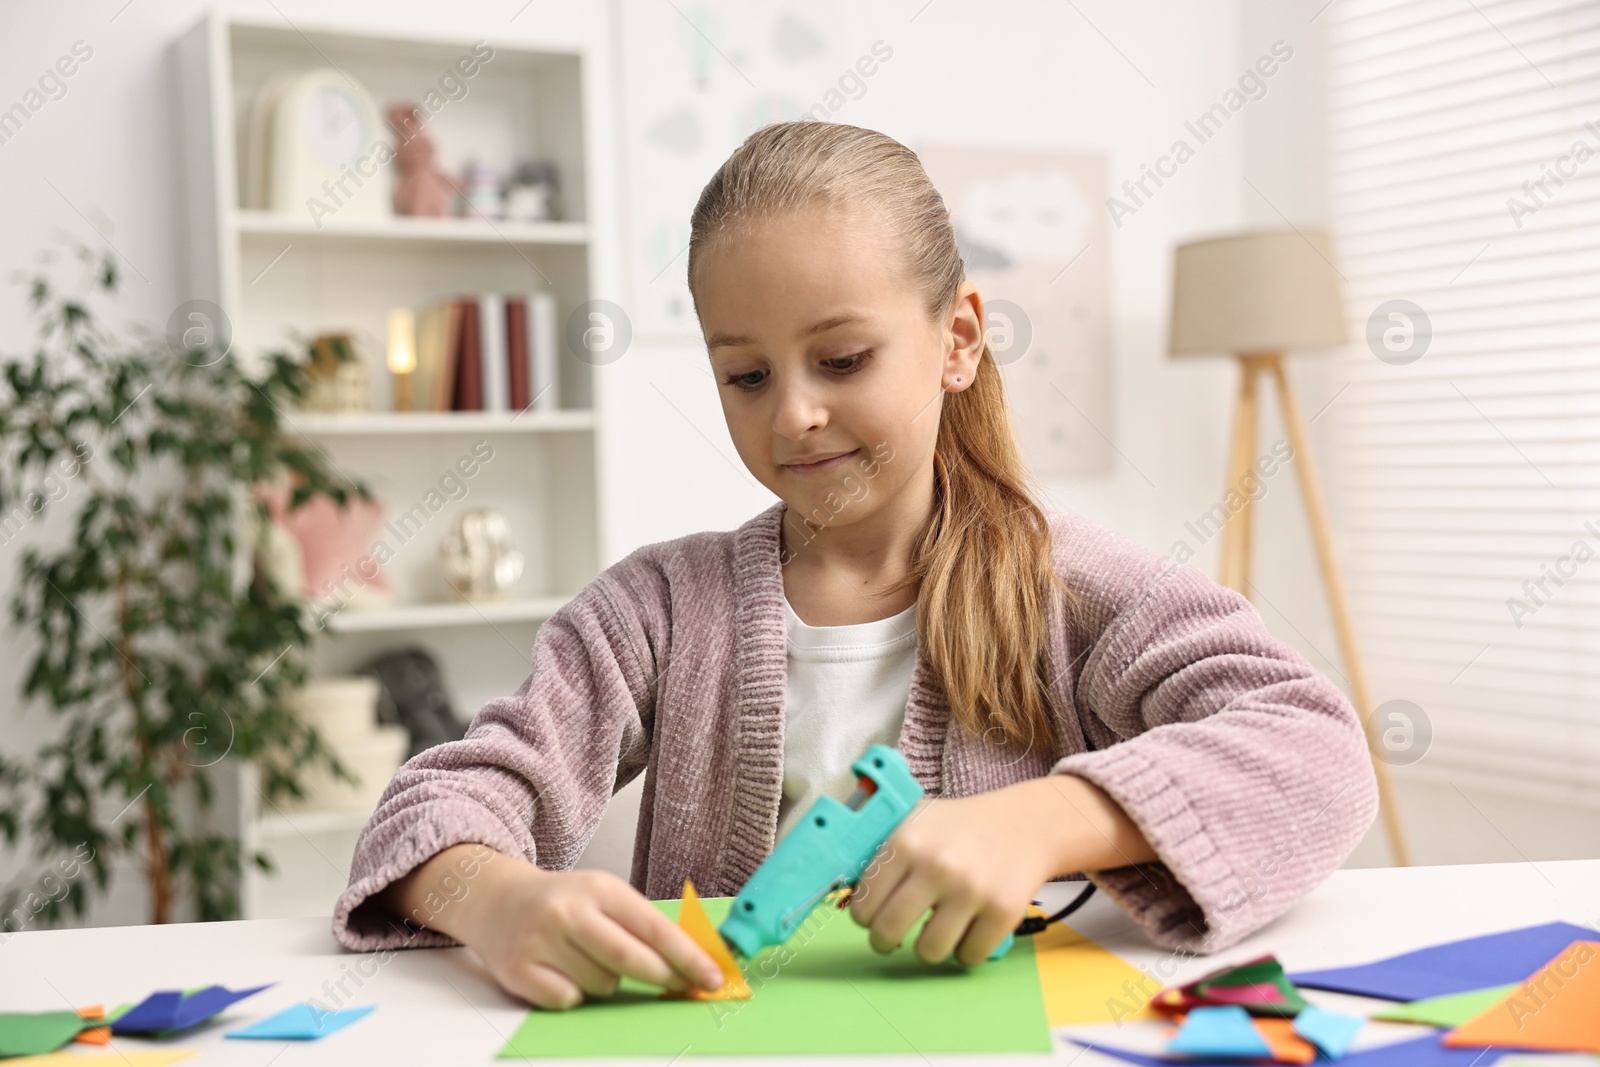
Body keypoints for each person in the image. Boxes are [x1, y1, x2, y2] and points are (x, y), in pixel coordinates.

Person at [330, 121, 1379, 1012]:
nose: (792, 413)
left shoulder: (1074, 587)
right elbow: (442, 804)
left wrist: (1045, 819)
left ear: (957, 339)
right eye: (745, 373)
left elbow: (1316, 749)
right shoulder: (654, 610)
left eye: (841, 359)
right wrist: (496, 897)